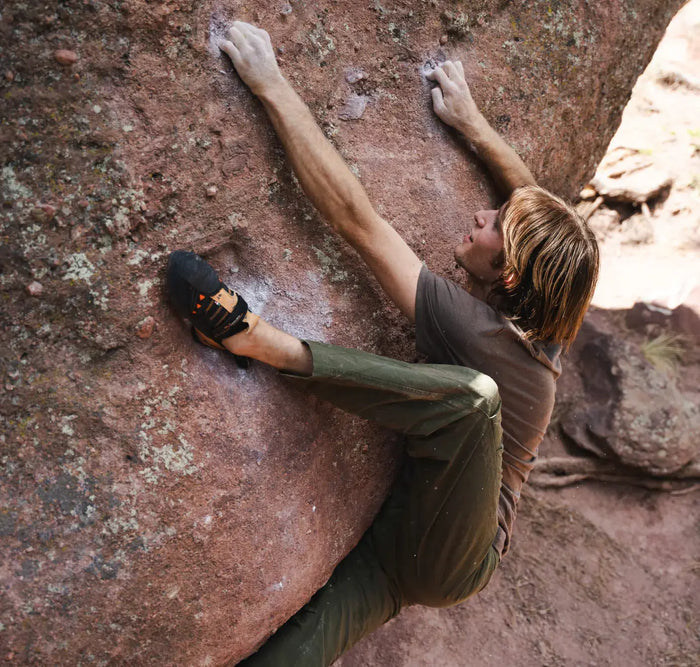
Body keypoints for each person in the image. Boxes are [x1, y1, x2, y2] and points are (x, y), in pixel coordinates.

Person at [166, 21, 599, 667]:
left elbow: (357, 221)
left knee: (473, 401)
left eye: (494, 225)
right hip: (412, 548)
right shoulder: (548, 313)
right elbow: (539, 206)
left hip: (458, 548)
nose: (481, 214)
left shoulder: (478, 333)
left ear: (509, 276)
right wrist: (473, 126)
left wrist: (272, 85)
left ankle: (257, 341)